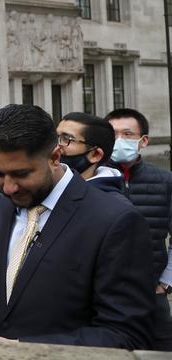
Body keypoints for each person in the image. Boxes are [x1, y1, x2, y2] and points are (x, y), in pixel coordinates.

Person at [0, 104, 154, 349]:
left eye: (21, 174)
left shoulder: (115, 221)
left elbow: (125, 335)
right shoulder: (0, 208)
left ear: (54, 157)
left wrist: (24, 348)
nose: (9, 187)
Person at [105, 108, 172, 351]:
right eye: (113, 134)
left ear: (143, 140)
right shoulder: (90, 181)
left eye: (127, 134)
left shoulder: (164, 180)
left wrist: (164, 282)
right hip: (104, 294)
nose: (120, 140)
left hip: (151, 293)